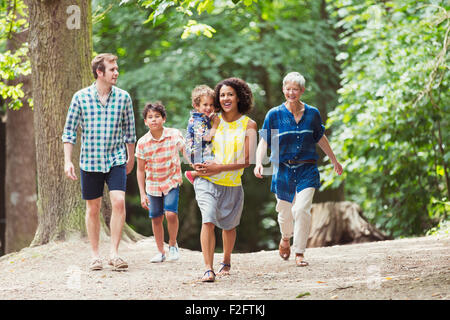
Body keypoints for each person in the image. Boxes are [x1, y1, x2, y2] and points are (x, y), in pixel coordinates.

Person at [254, 71, 343, 267]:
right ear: (283, 90)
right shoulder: (274, 114)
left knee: (302, 209)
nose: (291, 92)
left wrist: (334, 160)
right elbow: (264, 141)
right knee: (284, 212)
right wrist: (259, 162)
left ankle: (300, 252)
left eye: (295, 89)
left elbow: (320, 137)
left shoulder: (312, 113)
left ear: (302, 90)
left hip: (307, 169)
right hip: (283, 169)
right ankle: (285, 238)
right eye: (288, 89)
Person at [62, 53, 136, 271]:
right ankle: (95, 256)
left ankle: (114, 253)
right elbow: (69, 132)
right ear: (99, 72)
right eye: (112, 69)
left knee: (119, 203)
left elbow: (130, 133)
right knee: (93, 208)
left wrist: (130, 159)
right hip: (90, 160)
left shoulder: (123, 98)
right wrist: (68, 161)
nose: (117, 72)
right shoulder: (80, 97)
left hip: (116, 159)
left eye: (116, 68)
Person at [193, 78, 257, 282]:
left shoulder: (250, 124)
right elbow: (197, 142)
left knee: (229, 226)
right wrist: (196, 162)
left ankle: (226, 261)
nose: (226, 98)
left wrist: (220, 167)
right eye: (222, 95)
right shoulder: (213, 119)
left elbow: (248, 160)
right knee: (208, 219)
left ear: (239, 96)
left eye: (230, 94)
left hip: (232, 183)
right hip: (207, 180)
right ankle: (207, 268)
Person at [135, 102, 187, 263]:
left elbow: (185, 151)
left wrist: (195, 163)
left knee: (170, 213)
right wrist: (142, 193)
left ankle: (172, 244)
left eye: (157, 116)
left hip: (172, 180)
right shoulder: (143, 143)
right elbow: (141, 170)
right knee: (156, 218)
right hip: (153, 184)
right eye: (150, 117)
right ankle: (160, 251)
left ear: (163, 119)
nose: (154, 120)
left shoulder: (174, 134)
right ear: (145, 121)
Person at [184, 85, 220, 184]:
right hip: (197, 153)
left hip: (201, 150)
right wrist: (216, 124)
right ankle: (192, 174)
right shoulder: (197, 121)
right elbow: (208, 138)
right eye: (205, 105)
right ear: (196, 105)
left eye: (211, 105)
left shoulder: (203, 116)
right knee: (217, 166)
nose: (209, 108)